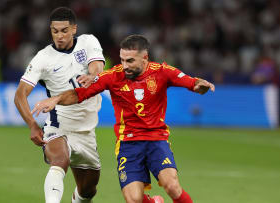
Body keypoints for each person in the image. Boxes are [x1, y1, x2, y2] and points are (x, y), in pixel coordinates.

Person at [31, 35, 215, 203]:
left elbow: (191, 82)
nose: (125, 65)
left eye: (130, 61)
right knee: (133, 199)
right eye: (122, 60)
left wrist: (201, 85)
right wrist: (56, 99)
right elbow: (81, 93)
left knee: (172, 186)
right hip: (128, 143)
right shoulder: (113, 76)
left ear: (145, 58)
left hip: (156, 140)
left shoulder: (162, 72)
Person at [14, 7, 105, 203]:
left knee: (88, 190)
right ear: (50, 31)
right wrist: (32, 125)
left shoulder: (88, 42)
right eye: (55, 31)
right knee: (60, 160)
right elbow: (20, 94)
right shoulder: (43, 58)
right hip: (59, 123)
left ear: (74, 29)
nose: (60, 36)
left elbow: (97, 66)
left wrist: (92, 75)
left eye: (64, 30)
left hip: (86, 130)